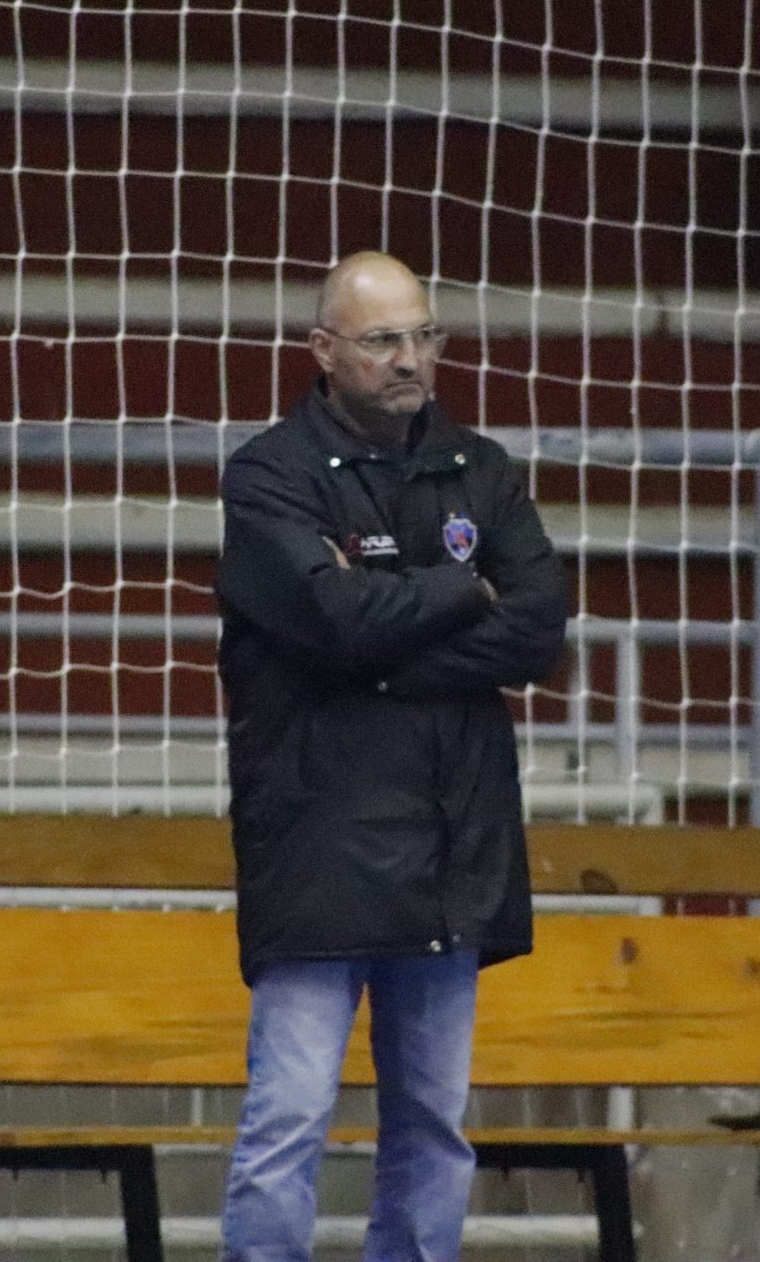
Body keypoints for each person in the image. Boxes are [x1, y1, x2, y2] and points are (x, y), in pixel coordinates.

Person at [214, 251, 568, 1260]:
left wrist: (376, 645)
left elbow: (539, 632)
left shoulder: (480, 467)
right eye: (382, 340)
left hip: (450, 846)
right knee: (288, 1121)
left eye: (424, 335)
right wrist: (462, 591)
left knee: (433, 1127)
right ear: (323, 350)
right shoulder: (268, 475)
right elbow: (331, 620)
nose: (410, 358)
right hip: (317, 845)